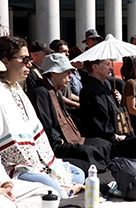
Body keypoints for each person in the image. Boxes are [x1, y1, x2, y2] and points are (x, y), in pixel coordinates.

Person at [0, 36, 84, 198]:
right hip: (13, 168)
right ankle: (65, 190)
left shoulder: (17, 89)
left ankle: (64, 188)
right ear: (6, 61)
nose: (30, 64)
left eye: (30, 59)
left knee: (77, 172)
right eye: (24, 59)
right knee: (50, 186)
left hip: (36, 161)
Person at [27, 53, 114, 176]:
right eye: (67, 72)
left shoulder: (54, 91)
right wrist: (60, 140)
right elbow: (46, 125)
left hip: (69, 137)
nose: (70, 77)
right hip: (55, 144)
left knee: (103, 144)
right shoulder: (39, 93)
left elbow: (66, 116)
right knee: (87, 151)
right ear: (54, 73)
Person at [79, 57, 136, 162]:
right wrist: (115, 136)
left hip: (120, 133)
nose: (111, 68)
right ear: (95, 67)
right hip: (108, 139)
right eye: (107, 64)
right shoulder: (90, 91)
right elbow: (98, 123)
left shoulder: (105, 85)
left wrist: (117, 100)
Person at [82, 28, 125, 95]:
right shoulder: (85, 54)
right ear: (87, 42)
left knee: (120, 83)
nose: (96, 41)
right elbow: (84, 70)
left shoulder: (101, 52)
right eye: (93, 39)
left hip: (104, 75)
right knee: (116, 83)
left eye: (97, 39)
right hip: (93, 77)